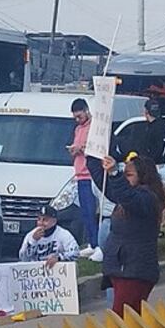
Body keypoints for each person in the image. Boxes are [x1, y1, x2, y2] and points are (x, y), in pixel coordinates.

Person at [100, 150, 165, 315]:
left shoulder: (147, 198)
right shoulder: (127, 194)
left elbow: (128, 196)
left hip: (134, 270)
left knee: (123, 320)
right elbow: (108, 186)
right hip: (122, 267)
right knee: (125, 319)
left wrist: (115, 174)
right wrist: (93, 157)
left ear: (143, 176)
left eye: (128, 175)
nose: (125, 179)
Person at [65, 98, 101, 249]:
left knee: (92, 212)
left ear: (87, 111)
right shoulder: (78, 129)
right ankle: (91, 244)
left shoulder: (94, 128)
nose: (77, 120)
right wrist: (73, 150)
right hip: (79, 173)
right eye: (75, 118)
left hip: (91, 175)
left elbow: (96, 149)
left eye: (79, 116)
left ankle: (97, 244)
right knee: (85, 213)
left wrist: (81, 149)